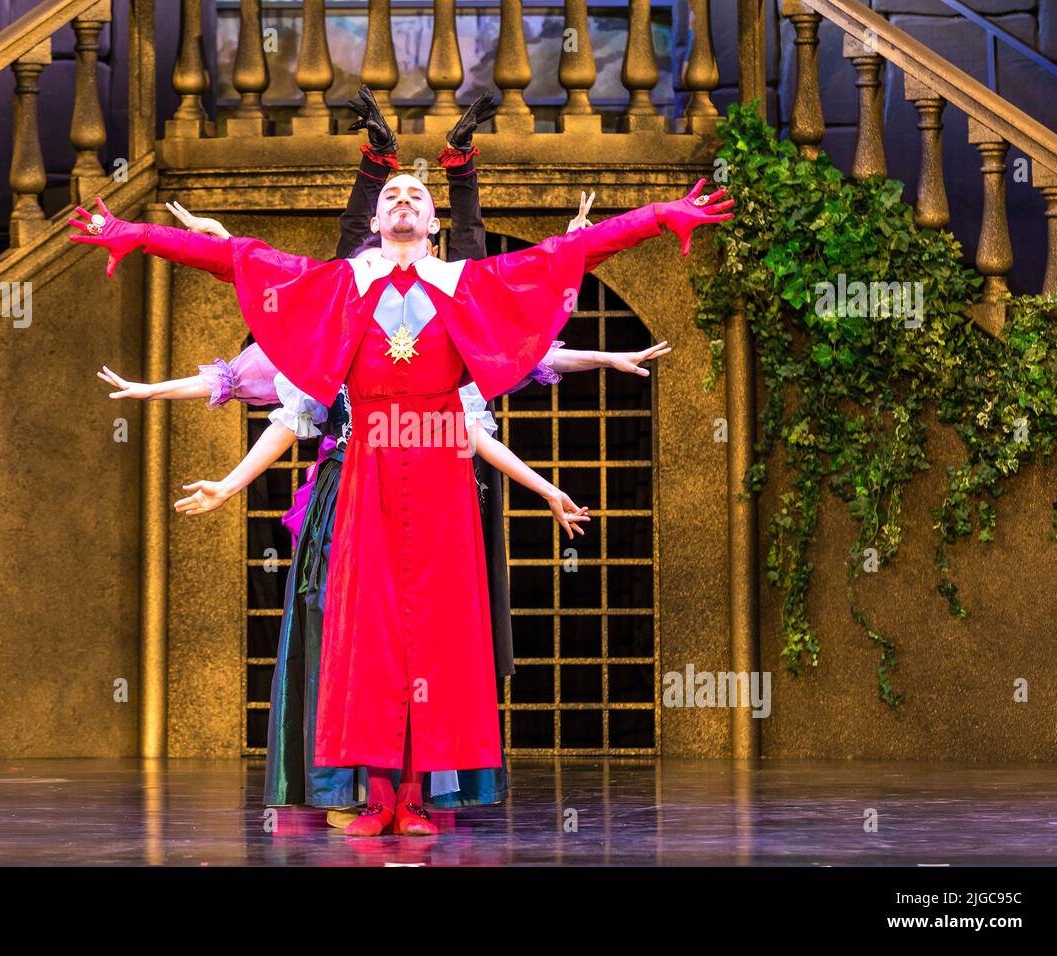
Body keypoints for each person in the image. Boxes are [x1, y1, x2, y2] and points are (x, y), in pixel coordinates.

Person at [70, 154, 733, 836]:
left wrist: (657, 217)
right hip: (367, 477)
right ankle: (377, 791)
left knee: (438, 639)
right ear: (379, 219)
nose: (406, 199)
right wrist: (140, 236)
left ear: (434, 219)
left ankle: (420, 792)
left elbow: (572, 250)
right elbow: (237, 259)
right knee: (372, 637)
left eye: (418, 193)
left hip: (443, 476)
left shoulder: (468, 284)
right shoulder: (337, 284)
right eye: (393, 193)